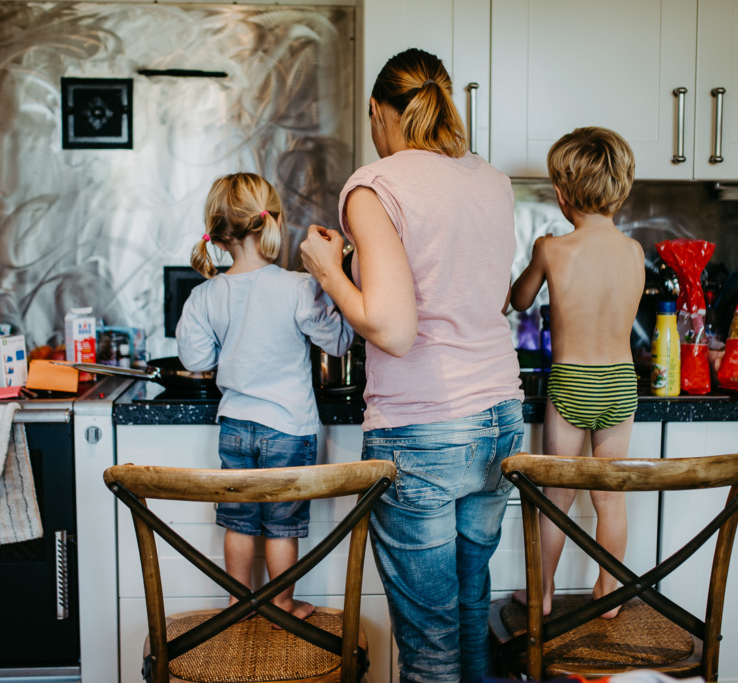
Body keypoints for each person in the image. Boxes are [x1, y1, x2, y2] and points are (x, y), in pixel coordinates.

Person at [299, 48, 524, 683]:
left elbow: (393, 330)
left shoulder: (376, 185)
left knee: (430, 646)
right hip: (500, 419)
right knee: (470, 612)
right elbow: (494, 298)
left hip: (423, 430)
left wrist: (327, 271)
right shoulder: (493, 181)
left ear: (378, 112)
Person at [176, 172, 353, 622]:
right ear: (269, 221)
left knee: (237, 522)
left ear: (216, 232)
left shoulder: (205, 294)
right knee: (282, 524)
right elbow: (338, 342)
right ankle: (281, 603)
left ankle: (237, 603)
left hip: (234, 425)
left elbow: (195, 357)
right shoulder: (297, 287)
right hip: (288, 427)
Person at [509, 127, 645, 619]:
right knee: (610, 498)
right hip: (620, 384)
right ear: (621, 186)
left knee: (557, 496)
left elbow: (519, 301)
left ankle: (541, 595)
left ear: (562, 195)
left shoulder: (552, 249)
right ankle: (609, 593)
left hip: (571, 382)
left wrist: (529, 266)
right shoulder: (634, 252)